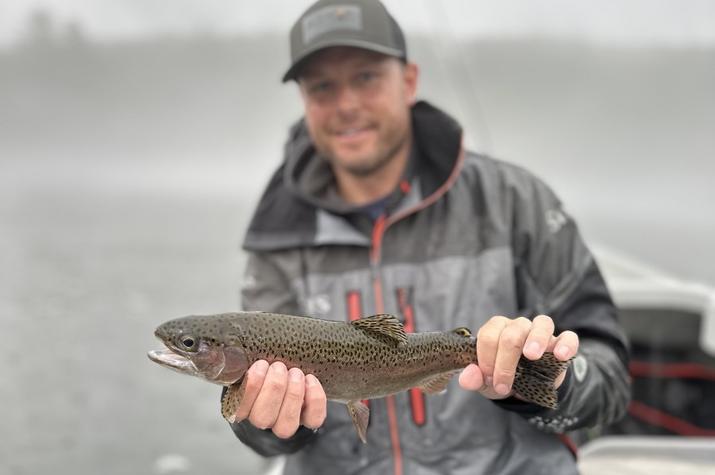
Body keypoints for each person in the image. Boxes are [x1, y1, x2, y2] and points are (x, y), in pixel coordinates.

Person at [227, 0, 630, 473]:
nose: (347, 104)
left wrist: (550, 383)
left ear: (410, 81)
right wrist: (265, 420)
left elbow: (612, 382)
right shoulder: (277, 234)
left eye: (366, 77)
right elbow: (268, 444)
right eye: (322, 87)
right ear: (304, 101)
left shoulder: (514, 200)